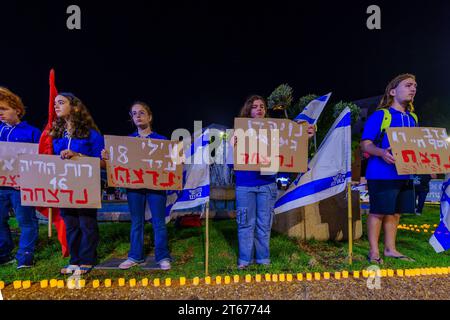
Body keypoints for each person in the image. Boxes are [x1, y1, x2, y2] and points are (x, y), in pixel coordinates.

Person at [233, 95, 314, 269]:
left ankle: (263, 259)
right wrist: (232, 144)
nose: (259, 109)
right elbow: (228, 158)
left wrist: (305, 138)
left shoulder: (274, 132)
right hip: (245, 185)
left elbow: (289, 147)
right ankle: (245, 260)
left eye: (262, 106)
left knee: (264, 223)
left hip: (267, 184)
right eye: (255, 106)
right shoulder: (238, 131)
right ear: (248, 110)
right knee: (246, 223)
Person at [102, 101, 172, 270]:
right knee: (136, 222)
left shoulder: (161, 140)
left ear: (149, 116)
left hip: (156, 186)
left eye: (141, 112)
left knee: (158, 222)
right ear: (132, 119)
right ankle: (135, 256)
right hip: (134, 186)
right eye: (134, 114)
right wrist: (107, 157)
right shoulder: (127, 142)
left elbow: (172, 163)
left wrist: (177, 158)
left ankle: (162, 256)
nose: (138, 116)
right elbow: (118, 162)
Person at [361, 73, 419, 264]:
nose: (413, 89)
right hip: (381, 173)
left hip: (405, 173)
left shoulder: (413, 118)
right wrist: (381, 153)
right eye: (408, 85)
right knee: (378, 211)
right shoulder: (381, 115)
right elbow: (365, 144)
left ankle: (391, 249)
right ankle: (374, 251)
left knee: (395, 212)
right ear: (393, 91)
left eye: (415, 86)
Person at [51, 93, 105, 276]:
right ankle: (74, 260)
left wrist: (78, 156)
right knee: (71, 224)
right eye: (55, 103)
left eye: (61, 102)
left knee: (86, 223)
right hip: (65, 186)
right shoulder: (56, 134)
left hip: (86, 186)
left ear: (74, 107)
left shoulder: (92, 134)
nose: (56, 106)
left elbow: (103, 162)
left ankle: (88, 259)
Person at [0, 87, 41, 269]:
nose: (0, 113)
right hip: (0, 186)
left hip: (21, 187)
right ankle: (3, 253)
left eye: (3, 109)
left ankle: (25, 256)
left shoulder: (32, 132)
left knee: (26, 221)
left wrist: (29, 179)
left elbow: (40, 161)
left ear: (17, 110)